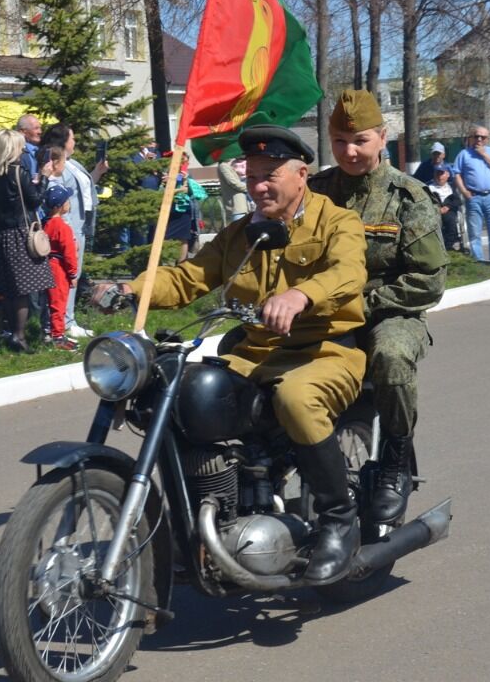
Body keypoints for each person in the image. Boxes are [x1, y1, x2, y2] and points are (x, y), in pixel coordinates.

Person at [100, 124, 368, 584]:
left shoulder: (337, 222)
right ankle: (207, 516)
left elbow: (348, 270)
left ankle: (338, 521)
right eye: (252, 176)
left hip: (322, 352)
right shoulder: (242, 234)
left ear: (302, 173)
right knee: (183, 397)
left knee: (297, 400)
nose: (259, 185)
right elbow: (188, 278)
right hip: (255, 355)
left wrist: (301, 295)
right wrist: (130, 288)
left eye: (271, 174)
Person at [309, 90, 447, 525]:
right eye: (339, 141)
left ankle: (394, 460)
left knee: (390, 358)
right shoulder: (315, 193)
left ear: (382, 138)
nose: (349, 151)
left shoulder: (408, 197)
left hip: (391, 312)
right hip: (324, 312)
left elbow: (429, 280)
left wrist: (364, 303)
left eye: (360, 140)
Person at [0, 129, 56, 352]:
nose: (23, 150)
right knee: (23, 289)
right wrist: (44, 177)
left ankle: (13, 331)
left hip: (1, 234)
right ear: (12, 149)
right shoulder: (17, 172)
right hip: (22, 233)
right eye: (20, 146)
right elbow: (35, 201)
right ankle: (19, 336)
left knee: (10, 289)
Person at [42, 123, 105, 339]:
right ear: (63, 141)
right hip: (69, 227)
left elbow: (83, 192)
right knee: (69, 276)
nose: (75, 141)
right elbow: (56, 197)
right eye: (72, 138)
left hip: (80, 224)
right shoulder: (58, 165)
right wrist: (66, 230)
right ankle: (65, 323)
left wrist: (97, 172)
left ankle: (67, 320)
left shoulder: (73, 163)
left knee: (74, 274)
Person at [451, 124, 490, 260]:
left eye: (483, 137)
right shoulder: (464, 154)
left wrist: (483, 154)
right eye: (476, 136)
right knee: (475, 234)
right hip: (474, 197)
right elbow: (456, 174)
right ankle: (479, 262)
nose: (479, 139)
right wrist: (464, 191)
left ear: (487, 139)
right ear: (472, 138)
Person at [41, 185, 79, 351]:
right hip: (59, 268)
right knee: (59, 302)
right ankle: (58, 337)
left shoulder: (44, 223)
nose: (69, 203)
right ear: (59, 206)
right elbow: (69, 253)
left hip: (44, 266)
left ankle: (47, 331)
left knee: (47, 302)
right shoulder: (62, 227)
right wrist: (73, 274)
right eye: (66, 200)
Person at [427, 167, 463, 251]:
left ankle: (449, 246)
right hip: (434, 212)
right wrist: (437, 209)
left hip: (449, 210)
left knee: (450, 220)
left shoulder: (452, 187)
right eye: (437, 174)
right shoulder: (429, 187)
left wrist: (448, 207)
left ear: (447, 175)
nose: (439, 177)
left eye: (442, 174)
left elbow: (458, 201)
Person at [217, 157, 250, 223]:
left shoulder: (227, 165)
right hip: (237, 205)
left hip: (241, 205)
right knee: (239, 229)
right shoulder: (223, 166)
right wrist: (249, 188)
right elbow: (233, 183)